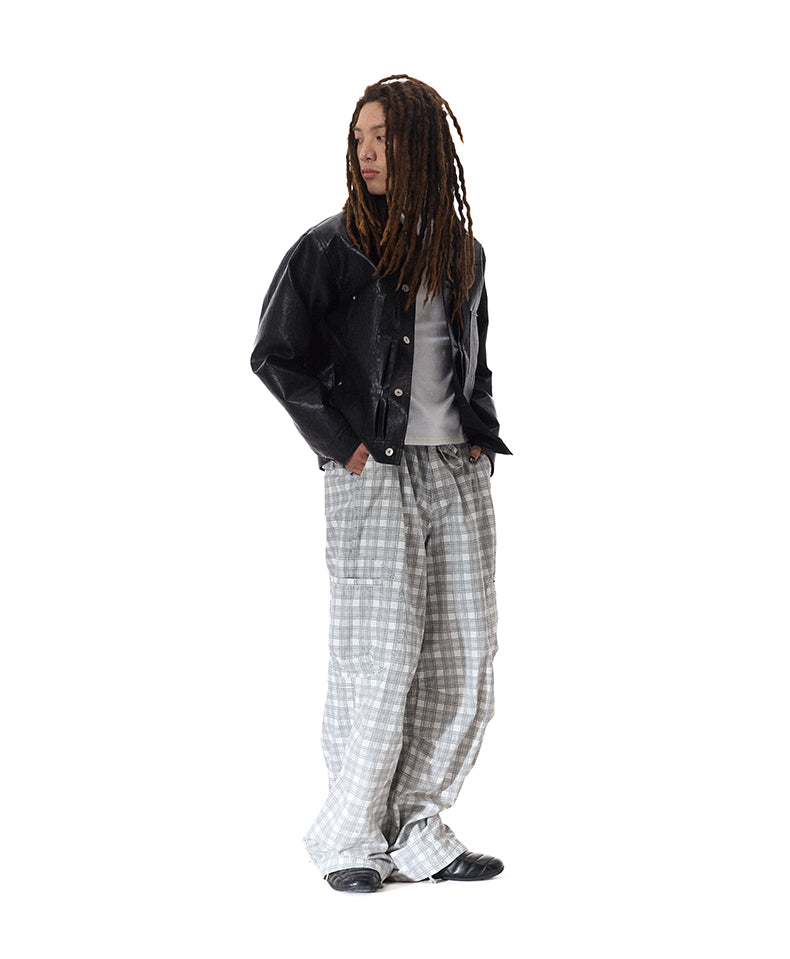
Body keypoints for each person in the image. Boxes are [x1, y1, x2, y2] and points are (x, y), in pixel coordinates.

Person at [251, 75, 511, 893]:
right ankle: (350, 832)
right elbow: (275, 354)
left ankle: (419, 828)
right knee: (380, 652)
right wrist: (345, 446)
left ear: (422, 147)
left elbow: (472, 355)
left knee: (464, 651)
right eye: (359, 138)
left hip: (455, 469)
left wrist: (480, 432)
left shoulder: (464, 253)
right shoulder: (331, 248)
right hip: (375, 469)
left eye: (383, 138)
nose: (366, 152)